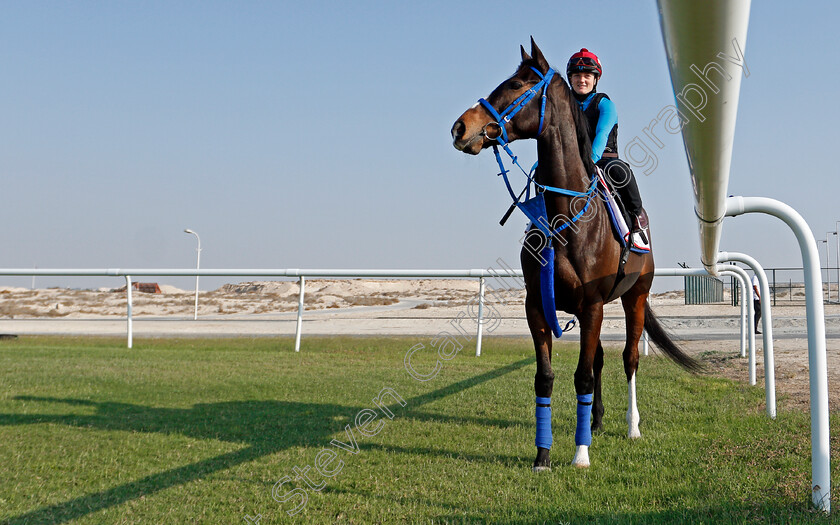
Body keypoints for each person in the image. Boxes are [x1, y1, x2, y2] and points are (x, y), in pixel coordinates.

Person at [566, 48, 644, 231]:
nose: (581, 80)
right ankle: (538, 223)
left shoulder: (605, 104)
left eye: (587, 75)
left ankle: (636, 214)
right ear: (570, 78)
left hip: (603, 160)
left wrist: (590, 162)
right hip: (571, 160)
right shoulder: (564, 105)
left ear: (596, 79)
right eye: (577, 75)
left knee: (619, 170)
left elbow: (602, 134)